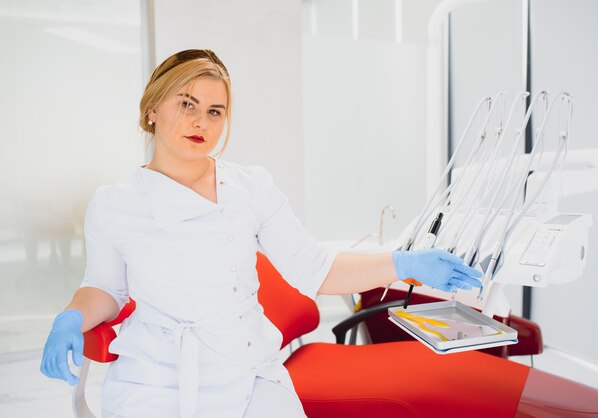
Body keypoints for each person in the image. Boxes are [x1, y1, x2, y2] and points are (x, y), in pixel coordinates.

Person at [40, 49, 482, 418]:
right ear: (152, 108)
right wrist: (71, 318)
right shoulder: (116, 203)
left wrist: (403, 264)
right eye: (186, 104)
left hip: (250, 369)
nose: (201, 122)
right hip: (158, 378)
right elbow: (105, 288)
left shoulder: (251, 187)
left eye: (215, 111)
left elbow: (315, 268)